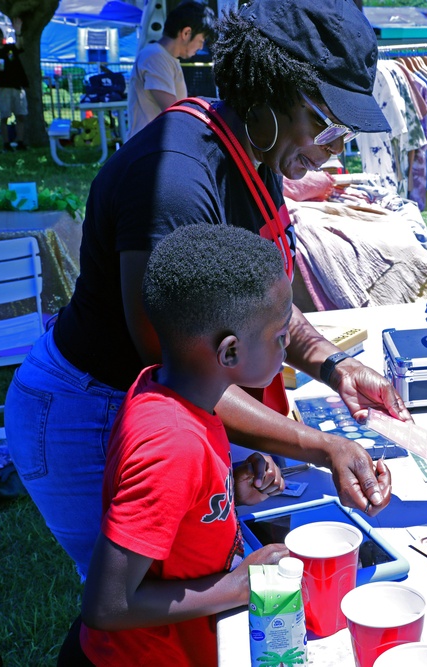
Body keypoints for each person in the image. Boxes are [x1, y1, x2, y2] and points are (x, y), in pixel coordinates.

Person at [5, 0, 406, 583]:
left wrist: (335, 365)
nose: (334, 147)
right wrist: (319, 445)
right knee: (134, 612)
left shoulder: (257, 151)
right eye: (327, 123)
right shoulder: (175, 182)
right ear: (270, 91)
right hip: (89, 411)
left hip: (161, 409)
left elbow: (259, 305)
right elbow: (179, 366)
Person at [53, 225, 292, 666]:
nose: (287, 344)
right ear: (230, 352)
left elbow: (171, 503)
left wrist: (224, 493)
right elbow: (107, 605)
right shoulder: (173, 444)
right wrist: (238, 586)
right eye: (280, 336)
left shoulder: (169, 387)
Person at [127, 0, 216, 139]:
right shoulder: (155, 56)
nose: (200, 47)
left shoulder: (165, 57)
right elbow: (173, 111)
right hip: (146, 150)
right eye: (201, 40)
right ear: (186, 33)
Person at [0, 17, 28, 152]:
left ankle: (20, 141)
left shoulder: (10, 48)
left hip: (17, 86)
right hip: (3, 88)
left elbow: (20, 46)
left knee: (20, 115)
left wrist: (18, 31)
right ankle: (6, 143)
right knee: (4, 116)